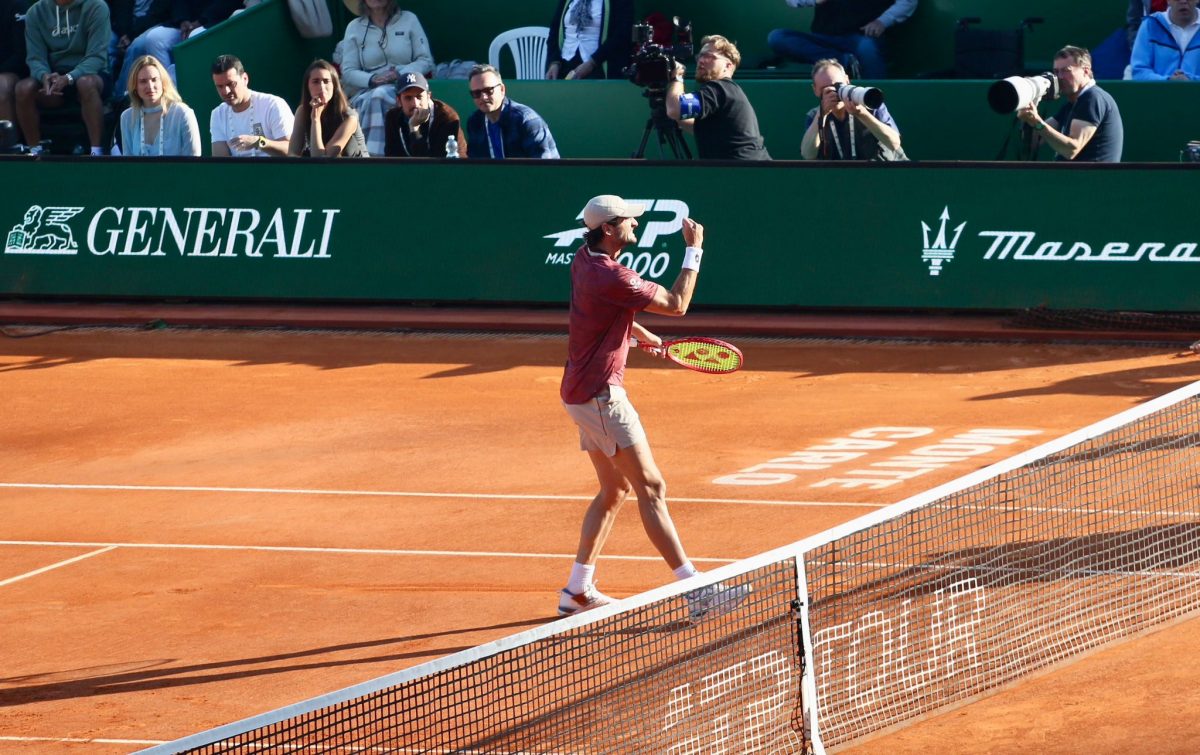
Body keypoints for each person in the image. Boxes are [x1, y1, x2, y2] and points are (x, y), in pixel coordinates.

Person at [558, 195, 750, 620]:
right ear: (609, 228)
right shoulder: (614, 275)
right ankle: (697, 592)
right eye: (629, 220)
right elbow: (678, 304)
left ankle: (576, 590)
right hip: (601, 397)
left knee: (614, 490)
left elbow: (611, 313)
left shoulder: (584, 258)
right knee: (652, 489)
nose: (636, 225)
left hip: (579, 392)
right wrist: (694, 250)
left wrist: (641, 335)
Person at [15, 0, 112, 155]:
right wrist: (44, 75)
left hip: (91, 73)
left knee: (85, 84)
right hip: (54, 77)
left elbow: (97, 57)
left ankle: (97, 152)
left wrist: (69, 77)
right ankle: (35, 151)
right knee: (23, 88)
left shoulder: (96, 6)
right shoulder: (36, 12)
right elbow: (35, 57)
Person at [339, 0, 433, 158]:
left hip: (405, 86)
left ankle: (376, 158)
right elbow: (348, 71)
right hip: (367, 90)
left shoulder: (410, 19)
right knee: (374, 97)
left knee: (381, 96)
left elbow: (425, 60)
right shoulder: (354, 27)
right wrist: (372, 79)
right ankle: (374, 160)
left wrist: (400, 73)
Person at [110, 0, 241, 103]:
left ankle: (182, 96)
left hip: (214, 22)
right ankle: (165, 92)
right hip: (186, 25)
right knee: (154, 38)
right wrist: (183, 20)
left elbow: (227, 3)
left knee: (194, 36)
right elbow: (179, 2)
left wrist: (201, 21)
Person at [664, 34, 770, 161]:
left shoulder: (721, 88)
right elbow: (701, 129)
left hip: (744, 174)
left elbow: (675, 109)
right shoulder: (728, 90)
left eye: (709, 56)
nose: (701, 61)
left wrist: (677, 77)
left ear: (728, 66)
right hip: (751, 172)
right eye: (700, 56)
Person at [1016, 46, 1124, 163]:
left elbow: (1071, 150)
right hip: (1076, 178)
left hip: (1091, 179)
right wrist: (1028, 109)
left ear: (1086, 71)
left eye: (1066, 70)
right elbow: (1034, 142)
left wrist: (1036, 122)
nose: (1060, 77)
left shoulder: (1092, 98)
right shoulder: (1073, 104)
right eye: (1056, 72)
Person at [768, 0, 918, 80]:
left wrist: (883, 21)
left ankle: (876, 101)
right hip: (823, 38)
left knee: (868, 49)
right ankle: (846, 62)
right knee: (778, 38)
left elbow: (908, 2)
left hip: (861, 37)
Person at [800, 57, 905, 160]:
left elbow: (894, 144)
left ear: (847, 80)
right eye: (825, 89)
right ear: (815, 90)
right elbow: (808, 155)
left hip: (887, 172)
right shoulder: (814, 116)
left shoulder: (870, 103)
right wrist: (821, 116)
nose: (833, 92)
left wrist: (863, 114)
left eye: (837, 86)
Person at [464, 63, 560, 159]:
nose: (483, 97)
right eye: (476, 93)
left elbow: (543, 168)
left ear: (502, 89)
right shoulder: (474, 122)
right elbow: (474, 166)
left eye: (488, 90)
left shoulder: (526, 121)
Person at [209, 54, 293, 157]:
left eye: (231, 84)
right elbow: (220, 160)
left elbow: (291, 150)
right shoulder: (218, 114)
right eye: (220, 86)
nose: (226, 91)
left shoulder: (272, 104)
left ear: (245, 79)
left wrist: (259, 142)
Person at [118, 54, 200, 156]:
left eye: (154, 79)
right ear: (135, 86)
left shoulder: (183, 113)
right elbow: (128, 165)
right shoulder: (126, 118)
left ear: (163, 82)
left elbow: (194, 163)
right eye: (143, 81)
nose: (150, 86)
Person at [287, 58, 367, 157]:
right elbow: (292, 153)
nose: (322, 87)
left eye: (326, 81)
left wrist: (315, 119)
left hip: (355, 170)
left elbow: (322, 160)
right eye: (316, 81)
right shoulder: (302, 111)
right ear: (307, 86)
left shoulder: (349, 117)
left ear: (334, 86)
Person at [383, 70, 465, 157]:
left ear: (428, 97)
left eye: (419, 97)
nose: (415, 103)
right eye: (408, 98)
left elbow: (430, 164)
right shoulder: (392, 117)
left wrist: (414, 130)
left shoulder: (446, 118)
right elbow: (391, 158)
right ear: (399, 101)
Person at [545, 0, 635, 80]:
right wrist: (554, 63)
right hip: (564, 64)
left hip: (600, 65)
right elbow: (554, 31)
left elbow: (622, 35)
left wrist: (592, 63)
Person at [1130, 0, 1200, 80]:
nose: (1183, 1)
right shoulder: (1150, 25)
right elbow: (1139, 72)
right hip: (1157, 92)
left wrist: (1191, 80)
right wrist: (1167, 81)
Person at [1, 0, 29, 132]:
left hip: (16, 71)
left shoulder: (17, 5)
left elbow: (21, 56)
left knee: (1, 85)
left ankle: (8, 146)